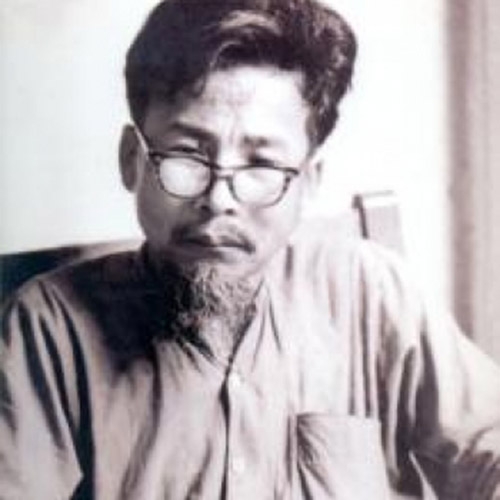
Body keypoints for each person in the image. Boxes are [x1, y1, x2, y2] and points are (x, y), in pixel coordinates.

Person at [1, 0, 500, 498]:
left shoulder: (369, 293)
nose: (218, 200)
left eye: (261, 164)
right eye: (187, 155)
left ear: (308, 181)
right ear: (132, 160)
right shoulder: (49, 330)